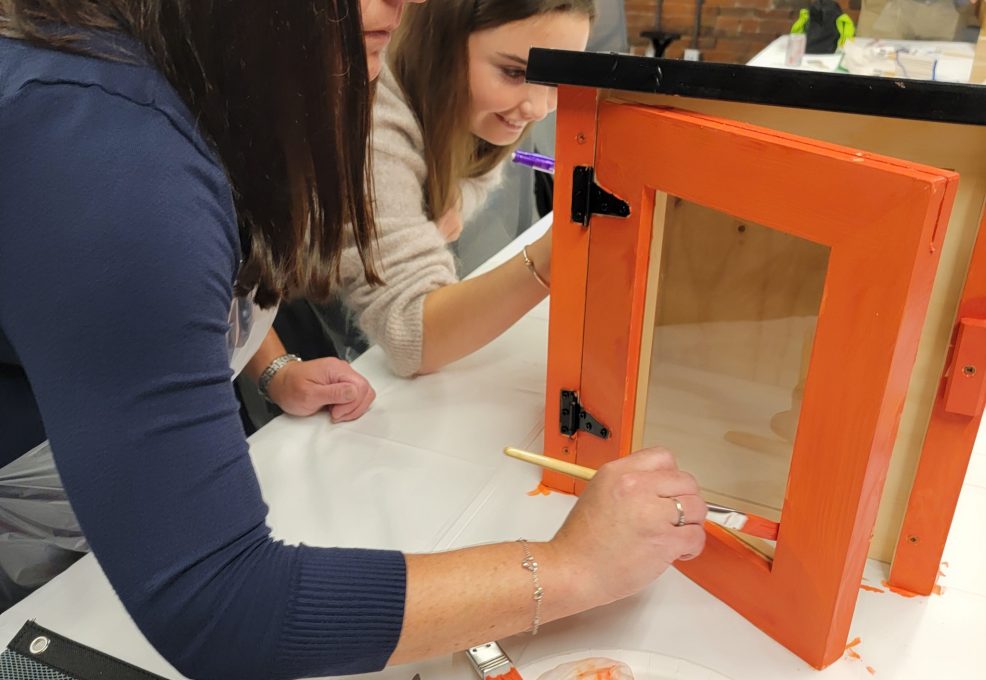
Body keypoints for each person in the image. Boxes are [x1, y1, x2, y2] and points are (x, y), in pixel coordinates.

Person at [0, 2, 707, 679]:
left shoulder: (209, 72)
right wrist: (570, 567)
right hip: (29, 498)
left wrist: (269, 365)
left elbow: (197, 276)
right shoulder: (109, 154)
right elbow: (222, 605)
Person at [248, 0, 594, 398]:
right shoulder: (372, 121)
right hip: (290, 339)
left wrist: (442, 207)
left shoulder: (479, 107)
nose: (538, 108)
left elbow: (463, 188)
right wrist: (553, 256)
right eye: (513, 72)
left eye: (557, 80)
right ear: (443, 43)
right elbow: (411, 335)